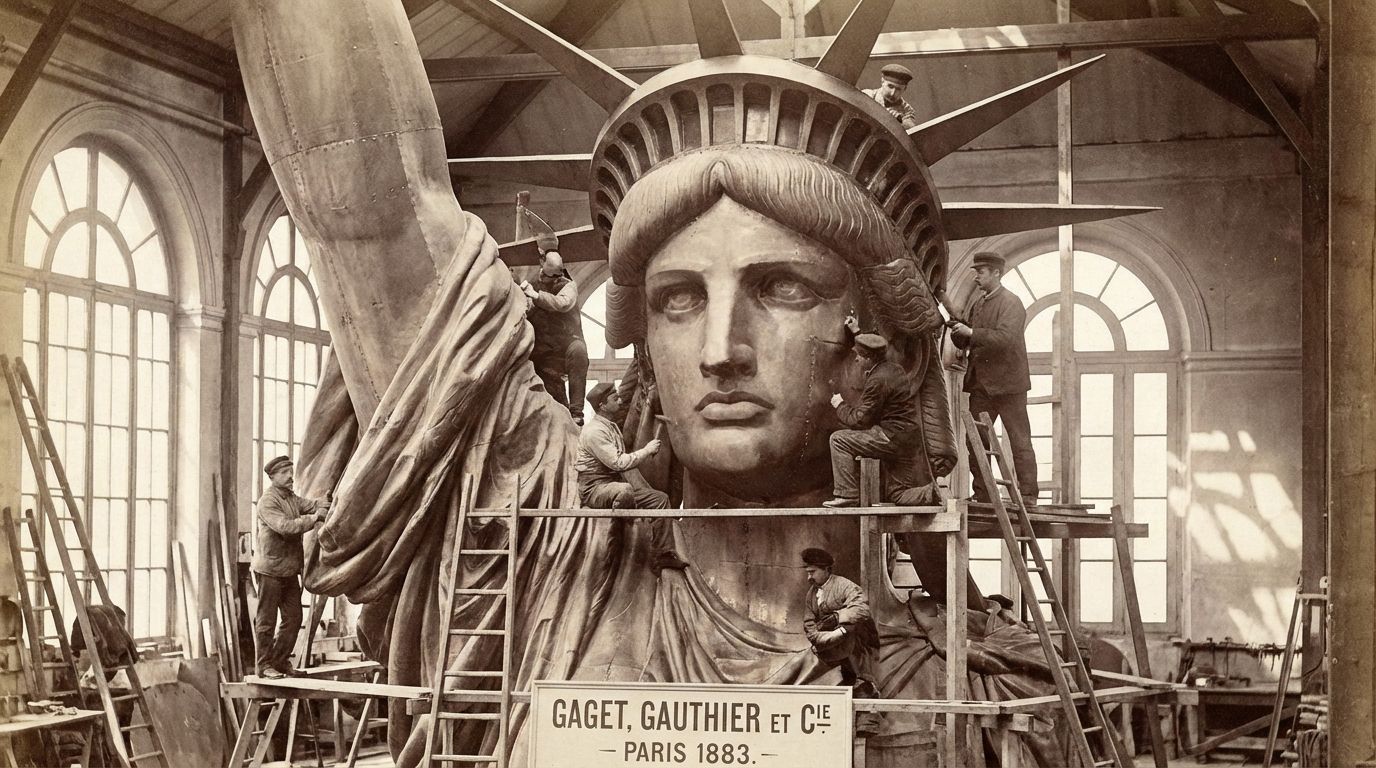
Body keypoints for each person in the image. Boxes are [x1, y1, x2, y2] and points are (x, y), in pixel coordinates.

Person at [947, 251, 1038, 504]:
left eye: (981, 272)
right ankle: (984, 494)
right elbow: (972, 338)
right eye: (976, 272)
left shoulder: (1012, 302)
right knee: (974, 440)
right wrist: (958, 331)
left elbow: (1004, 339)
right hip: (981, 385)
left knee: (1020, 440)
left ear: (997, 273)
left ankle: (1029, 496)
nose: (977, 277)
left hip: (1009, 385)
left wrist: (971, 332)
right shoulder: (979, 304)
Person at [576, 382, 687, 570]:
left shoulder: (610, 427)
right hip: (594, 488)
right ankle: (619, 537)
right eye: (615, 398)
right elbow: (618, 463)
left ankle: (663, 553)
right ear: (602, 405)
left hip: (613, 485)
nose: (620, 401)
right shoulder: (594, 431)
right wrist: (646, 451)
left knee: (660, 499)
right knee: (626, 491)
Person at [823, 325, 923, 507]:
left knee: (838, 440)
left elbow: (860, 420)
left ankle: (847, 494)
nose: (857, 360)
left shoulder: (878, 380)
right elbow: (875, 347)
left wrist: (840, 405)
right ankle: (934, 491)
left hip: (891, 437)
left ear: (869, 359)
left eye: (860, 357)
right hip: (908, 440)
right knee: (898, 495)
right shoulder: (894, 368)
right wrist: (857, 332)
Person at [251, 455, 330, 679]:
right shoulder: (268, 502)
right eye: (285, 472)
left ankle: (279, 660)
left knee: (294, 618)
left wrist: (326, 501)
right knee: (267, 621)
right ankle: (264, 666)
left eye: (290, 471)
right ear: (273, 476)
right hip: (270, 571)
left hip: (288, 571)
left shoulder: (291, 498)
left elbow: (311, 504)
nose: (290, 476)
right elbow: (285, 526)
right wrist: (315, 518)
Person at [801, 547, 882, 734]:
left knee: (855, 636)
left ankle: (867, 708)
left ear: (826, 570)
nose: (809, 578)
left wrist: (838, 620)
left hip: (858, 639)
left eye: (812, 572)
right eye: (807, 573)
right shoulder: (811, 595)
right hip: (828, 643)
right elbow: (809, 624)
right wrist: (822, 637)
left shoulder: (846, 586)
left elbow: (862, 610)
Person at [521, 249, 590, 425]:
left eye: (553, 277)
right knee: (555, 404)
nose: (549, 280)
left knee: (579, 351)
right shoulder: (531, 283)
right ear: (541, 265)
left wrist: (536, 296)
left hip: (565, 346)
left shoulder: (568, 286)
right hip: (543, 353)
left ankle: (577, 412)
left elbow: (561, 303)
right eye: (546, 275)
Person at [862, 63, 919, 129]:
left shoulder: (907, 110)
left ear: (905, 89)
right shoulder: (867, 95)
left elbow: (911, 130)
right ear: (882, 81)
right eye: (890, 86)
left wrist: (899, 121)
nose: (893, 93)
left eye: (898, 89)